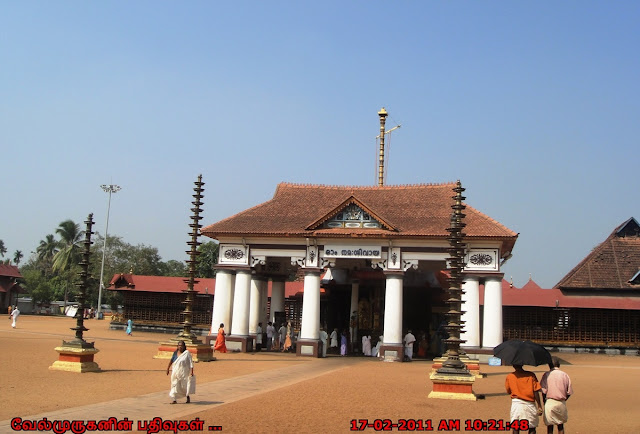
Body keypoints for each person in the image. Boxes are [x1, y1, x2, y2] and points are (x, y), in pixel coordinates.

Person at [505, 364, 543, 434]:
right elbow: (535, 392)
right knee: (532, 427)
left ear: (513, 365)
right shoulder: (531, 375)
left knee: (516, 427)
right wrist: (539, 405)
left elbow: (508, 391)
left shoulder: (510, 376)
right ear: (522, 364)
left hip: (517, 404)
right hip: (529, 404)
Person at [540, 357, 573, 434]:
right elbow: (569, 392)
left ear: (549, 365)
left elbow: (543, 391)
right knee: (560, 425)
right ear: (559, 365)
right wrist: (563, 400)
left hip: (550, 402)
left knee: (550, 426)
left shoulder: (546, 375)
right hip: (561, 402)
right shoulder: (565, 375)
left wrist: (544, 402)